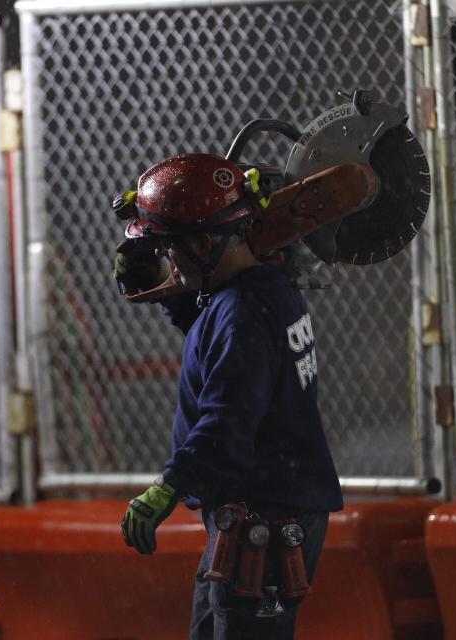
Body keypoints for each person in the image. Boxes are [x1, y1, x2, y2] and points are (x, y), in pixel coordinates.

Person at [115, 153, 343, 640]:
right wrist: (163, 294)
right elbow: (216, 343)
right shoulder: (258, 291)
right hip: (259, 510)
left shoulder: (241, 315)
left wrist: (166, 489)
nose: (167, 262)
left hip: (265, 518)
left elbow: (225, 425)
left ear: (202, 243)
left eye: (169, 250)